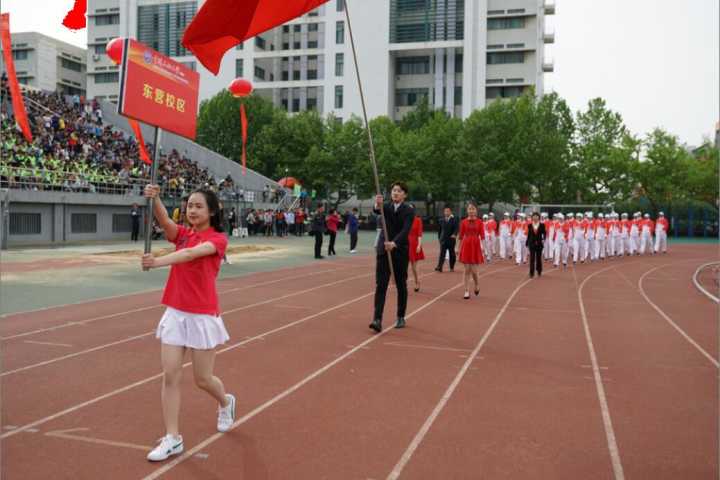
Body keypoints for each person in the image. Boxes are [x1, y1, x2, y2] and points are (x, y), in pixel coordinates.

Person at [141, 185, 235, 462]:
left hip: (202, 316)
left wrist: (156, 262)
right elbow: (165, 222)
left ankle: (225, 401)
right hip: (175, 313)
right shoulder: (183, 235)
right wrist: (155, 198)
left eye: (198, 206)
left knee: (202, 379)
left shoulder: (218, 240)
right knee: (170, 375)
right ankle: (172, 438)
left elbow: (189, 255)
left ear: (212, 211)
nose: (192, 210)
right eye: (189, 205)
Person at [369, 182, 414, 332]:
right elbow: (376, 211)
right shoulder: (385, 207)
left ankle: (400, 316)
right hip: (384, 251)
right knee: (381, 285)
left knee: (401, 284)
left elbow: (406, 230)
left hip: (399, 251)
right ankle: (377, 319)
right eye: (393, 190)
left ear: (404, 195)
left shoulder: (408, 210)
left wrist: (394, 243)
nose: (395, 193)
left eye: (399, 191)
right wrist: (377, 203)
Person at [457, 202, 485, 299]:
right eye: (469, 209)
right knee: (466, 269)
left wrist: (483, 247)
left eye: (473, 209)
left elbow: (483, 236)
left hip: (476, 245)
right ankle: (466, 290)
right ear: (467, 210)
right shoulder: (463, 222)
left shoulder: (480, 222)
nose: (471, 211)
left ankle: (477, 284)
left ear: (476, 211)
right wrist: (458, 248)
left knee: (474, 270)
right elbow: (460, 236)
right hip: (466, 245)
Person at [435, 206, 458, 272]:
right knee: (442, 254)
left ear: (450, 212)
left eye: (448, 211)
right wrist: (439, 238)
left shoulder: (454, 219)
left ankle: (451, 267)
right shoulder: (441, 220)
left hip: (451, 239)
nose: (446, 212)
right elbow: (439, 230)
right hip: (443, 240)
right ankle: (439, 267)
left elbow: (456, 228)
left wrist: (454, 234)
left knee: (452, 254)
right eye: (445, 211)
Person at [407, 210, 425, 292]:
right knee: (402, 266)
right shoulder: (404, 219)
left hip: (414, 243)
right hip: (405, 243)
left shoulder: (418, 220)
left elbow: (419, 233)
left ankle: (417, 282)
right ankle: (402, 283)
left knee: (413, 267)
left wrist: (419, 245)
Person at [526, 212, 546, 278]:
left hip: (539, 244)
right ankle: (531, 272)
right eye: (534, 216)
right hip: (532, 243)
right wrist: (527, 242)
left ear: (538, 217)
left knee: (538, 258)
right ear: (532, 217)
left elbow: (544, 233)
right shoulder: (529, 225)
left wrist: (543, 239)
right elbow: (529, 235)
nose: (535, 217)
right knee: (532, 258)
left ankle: (539, 270)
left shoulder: (542, 225)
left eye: (536, 216)